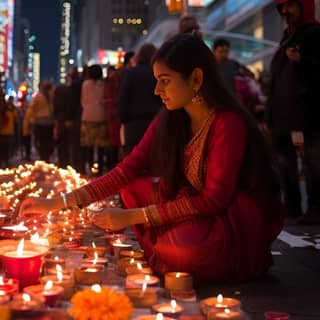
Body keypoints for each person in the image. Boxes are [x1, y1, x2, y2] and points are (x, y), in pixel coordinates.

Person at [19, 34, 283, 283]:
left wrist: (133, 216)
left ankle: (174, 244)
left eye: (165, 80)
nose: (157, 90)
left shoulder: (227, 123)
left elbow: (213, 200)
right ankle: (170, 240)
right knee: (133, 187)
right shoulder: (170, 120)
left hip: (229, 223)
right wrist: (57, 202)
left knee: (183, 250)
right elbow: (126, 171)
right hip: (193, 212)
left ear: (196, 79)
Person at [266, 0, 320, 223]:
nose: (285, 11)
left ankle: (315, 209)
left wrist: (302, 60)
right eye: (282, 8)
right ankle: (292, 208)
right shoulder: (288, 37)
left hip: (308, 114)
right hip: (284, 116)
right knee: (286, 164)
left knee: (312, 163)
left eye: (290, 6)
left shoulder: (314, 34)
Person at [118, 43, 162, 156]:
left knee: (133, 157)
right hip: (155, 119)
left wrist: (124, 119)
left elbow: (124, 97)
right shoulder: (157, 73)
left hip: (134, 122)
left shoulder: (131, 73)